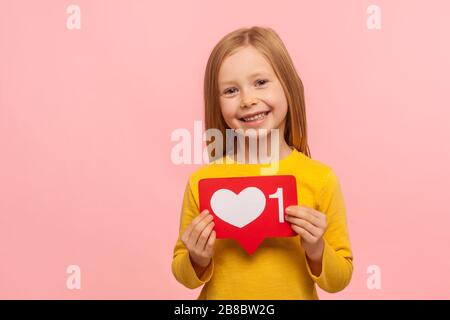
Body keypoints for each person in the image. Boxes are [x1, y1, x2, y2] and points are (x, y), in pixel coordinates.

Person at [171, 26, 353, 299]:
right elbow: (183, 275)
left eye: (260, 82)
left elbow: (338, 281)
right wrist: (196, 258)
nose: (248, 100)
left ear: (288, 86)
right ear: (216, 103)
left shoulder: (320, 179)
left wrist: (316, 249)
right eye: (231, 90)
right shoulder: (202, 183)